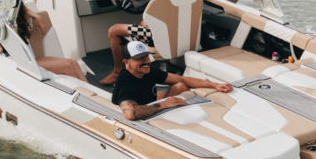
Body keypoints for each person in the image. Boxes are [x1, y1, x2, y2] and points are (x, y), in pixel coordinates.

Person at [95, 38, 232, 122]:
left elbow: (180, 78)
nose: (146, 62)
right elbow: (130, 113)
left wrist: (215, 85)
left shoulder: (147, 70)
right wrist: (164, 104)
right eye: (139, 59)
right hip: (141, 116)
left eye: (146, 57)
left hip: (152, 103)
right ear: (126, 62)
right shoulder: (125, 82)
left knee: (180, 85)